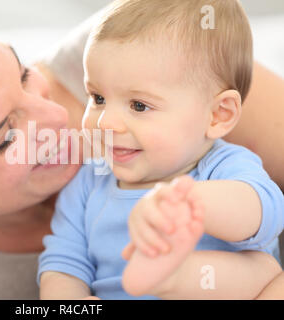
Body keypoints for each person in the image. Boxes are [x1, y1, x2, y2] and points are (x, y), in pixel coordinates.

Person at [0, 0, 283, 299]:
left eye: (22, 72)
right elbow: (64, 269)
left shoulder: (152, 48)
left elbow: (260, 216)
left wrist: (190, 209)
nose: (59, 122)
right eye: (6, 138)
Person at [38, 0, 284, 300]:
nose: (106, 122)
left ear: (218, 115)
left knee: (263, 270)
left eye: (139, 105)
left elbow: (263, 212)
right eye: (98, 97)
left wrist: (188, 204)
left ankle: (172, 276)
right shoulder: (87, 183)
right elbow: (64, 263)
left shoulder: (222, 167)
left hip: (212, 290)